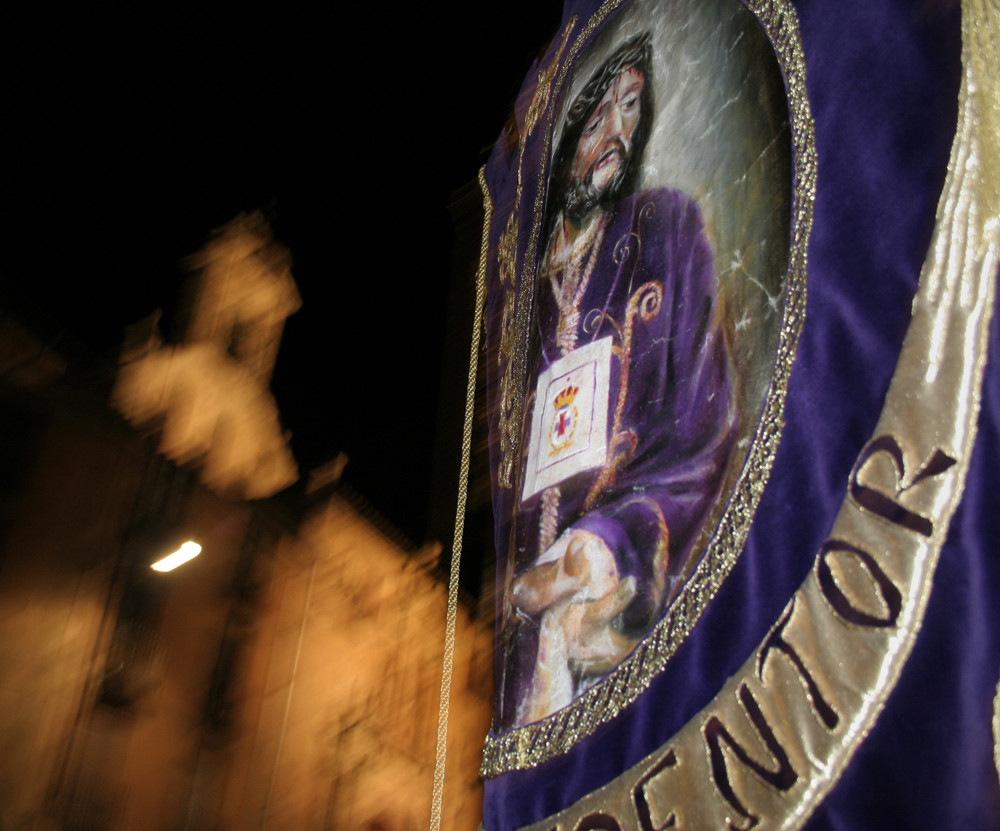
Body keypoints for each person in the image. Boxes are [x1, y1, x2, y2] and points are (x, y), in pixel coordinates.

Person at [503, 32, 737, 727]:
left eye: (632, 106)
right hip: (523, 654)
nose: (618, 130)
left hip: (627, 618)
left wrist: (608, 541)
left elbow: (703, 430)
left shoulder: (663, 230)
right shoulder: (524, 307)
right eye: (600, 111)